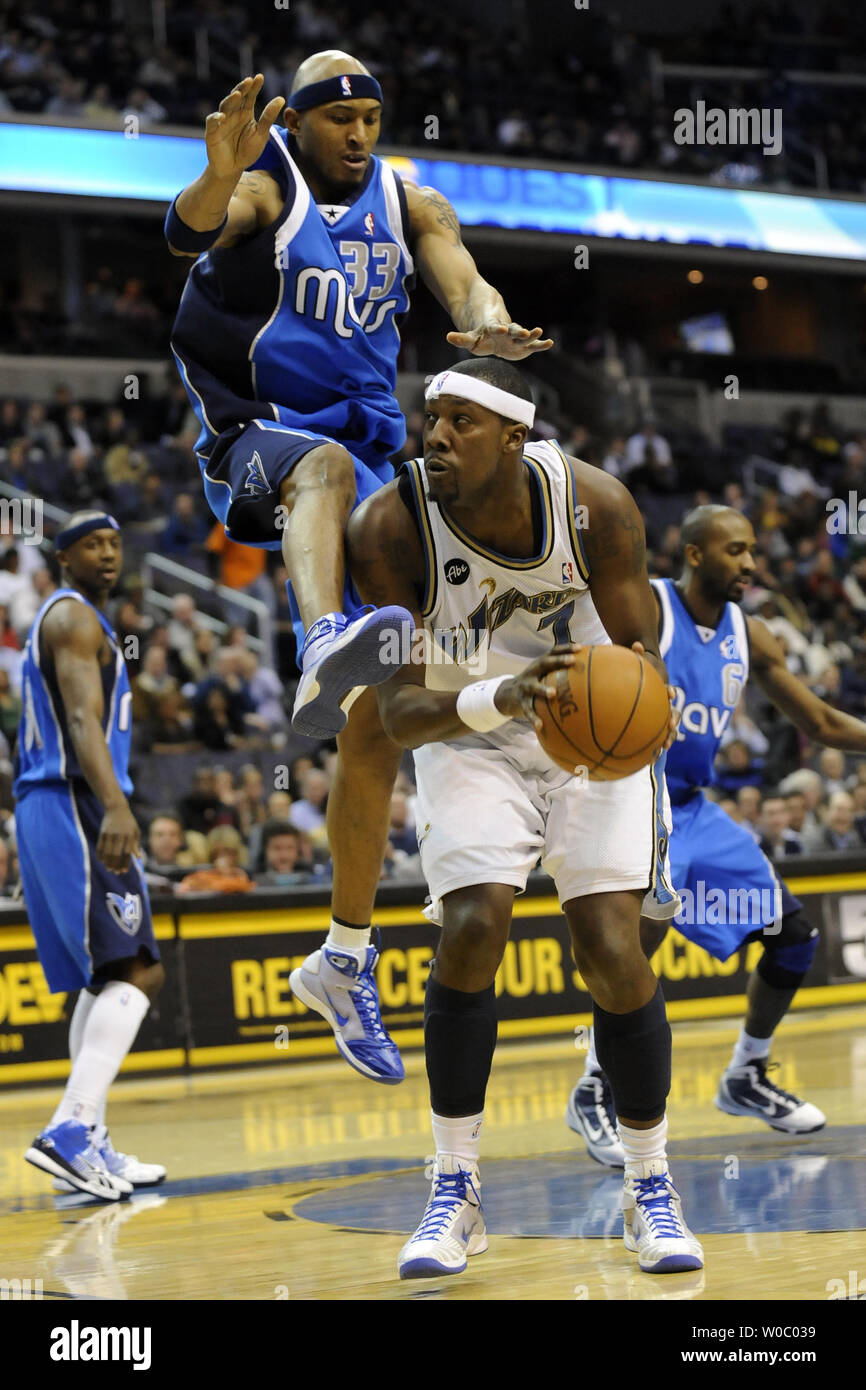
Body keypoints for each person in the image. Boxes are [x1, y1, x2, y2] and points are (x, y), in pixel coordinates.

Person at [166, 55, 551, 1082]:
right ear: (301, 122)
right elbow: (193, 226)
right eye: (340, 116)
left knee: (375, 722)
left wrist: (486, 322)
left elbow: (457, 270)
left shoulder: (406, 197)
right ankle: (320, 629)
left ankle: (342, 954)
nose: (357, 132)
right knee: (323, 470)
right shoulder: (264, 184)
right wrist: (212, 170)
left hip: (377, 448)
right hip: (254, 435)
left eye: (371, 116)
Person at [342, 357, 701, 1277]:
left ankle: (649, 1185)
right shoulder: (391, 526)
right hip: (469, 731)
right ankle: (454, 1190)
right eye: (432, 420)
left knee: (613, 949)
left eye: (462, 421)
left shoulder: (600, 507)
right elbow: (398, 713)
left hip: (588, 735)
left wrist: (630, 712)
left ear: (516, 435)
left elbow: (639, 665)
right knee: (473, 926)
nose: (437, 436)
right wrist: (504, 694)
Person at [567, 504, 866, 1166]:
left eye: (754, 551)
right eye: (736, 551)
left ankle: (746, 1074)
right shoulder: (648, 606)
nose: (752, 564)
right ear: (695, 554)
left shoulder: (751, 633)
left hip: (695, 808)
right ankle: (594, 1086)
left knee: (794, 940)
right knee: (633, 949)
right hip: (632, 798)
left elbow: (816, 719)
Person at [15, 512, 165, 1200]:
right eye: (90, 546)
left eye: (113, 542)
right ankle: (71, 1130)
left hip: (58, 805)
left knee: (106, 972)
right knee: (137, 970)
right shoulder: (72, 619)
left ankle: (87, 1140)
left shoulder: (79, 619)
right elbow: (81, 723)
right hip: (74, 800)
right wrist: (116, 805)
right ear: (63, 557)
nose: (107, 553)